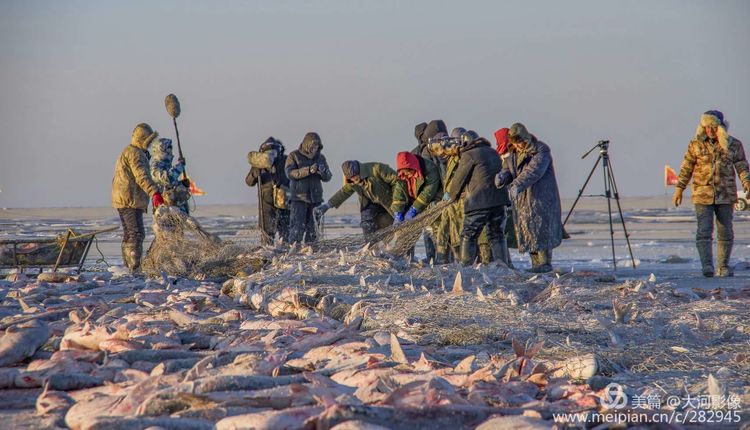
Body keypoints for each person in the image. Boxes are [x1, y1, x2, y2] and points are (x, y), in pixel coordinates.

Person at [673, 110, 750, 277]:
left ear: (720, 127)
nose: (710, 130)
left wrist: (747, 182)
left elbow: (742, 166)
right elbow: (686, 168)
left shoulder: (733, 145)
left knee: (725, 231)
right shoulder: (695, 144)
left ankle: (723, 266)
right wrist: (679, 189)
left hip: (726, 194)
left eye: (713, 127)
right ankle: (707, 266)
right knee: (704, 231)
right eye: (706, 127)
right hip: (702, 194)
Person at [495, 123, 562, 272]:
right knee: (529, 232)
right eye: (515, 143)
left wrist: (517, 185)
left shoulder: (541, 151)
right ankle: (535, 265)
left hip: (541, 199)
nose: (518, 146)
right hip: (523, 202)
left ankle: (544, 264)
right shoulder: (513, 154)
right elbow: (508, 170)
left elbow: (533, 171)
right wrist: (502, 177)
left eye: (520, 143)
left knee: (541, 231)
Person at [446, 133, 510, 266]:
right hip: (499, 200)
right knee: (496, 233)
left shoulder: (469, 155)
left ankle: (466, 265)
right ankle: (502, 266)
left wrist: (452, 196)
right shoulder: (493, 152)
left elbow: (459, 179)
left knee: (468, 234)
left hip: (479, 201)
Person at [112, 123, 164, 273]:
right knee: (136, 233)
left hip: (125, 198)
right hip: (129, 199)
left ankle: (131, 265)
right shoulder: (135, 153)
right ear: (143, 139)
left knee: (131, 233)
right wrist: (154, 192)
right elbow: (141, 176)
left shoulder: (132, 151)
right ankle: (133, 267)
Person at [315, 160, 406, 236]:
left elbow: (398, 180)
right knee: (367, 224)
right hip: (370, 205)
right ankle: (372, 249)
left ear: (359, 171)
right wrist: (327, 205)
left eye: (355, 176)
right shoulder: (351, 182)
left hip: (389, 202)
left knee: (402, 227)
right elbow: (343, 192)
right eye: (352, 178)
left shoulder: (376, 169)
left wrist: (397, 202)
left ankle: (406, 253)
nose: (355, 180)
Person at [285, 132, 332, 244]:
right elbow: (290, 173)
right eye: (313, 146)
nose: (315, 149)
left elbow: (328, 177)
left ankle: (311, 251)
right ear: (307, 145)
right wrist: (308, 170)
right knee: (297, 227)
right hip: (299, 198)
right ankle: (293, 250)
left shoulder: (321, 158)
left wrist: (323, 172)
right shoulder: (294, 156)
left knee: (313, 229)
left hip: (316, 199)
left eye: (317, 146)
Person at [246, 137, 290, 245]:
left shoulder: (285, 161)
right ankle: (267, 251)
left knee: (286, 232)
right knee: (267, 232)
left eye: (273, 153)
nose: (271, 156)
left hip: (284, 201)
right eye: (268, 153)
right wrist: (254, 174)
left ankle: (286, 253)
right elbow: (249, 182)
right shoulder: (258, 164)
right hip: (266, 204)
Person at [150, 137, 190, 215]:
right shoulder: (156, 166)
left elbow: (171, 185)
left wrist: (182, 184)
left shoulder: (167, 165)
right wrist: (180, 166)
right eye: (168, 148)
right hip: (165, 211)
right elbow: (167, 178)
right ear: (161, 149)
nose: (170, 151)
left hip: (176, 209)